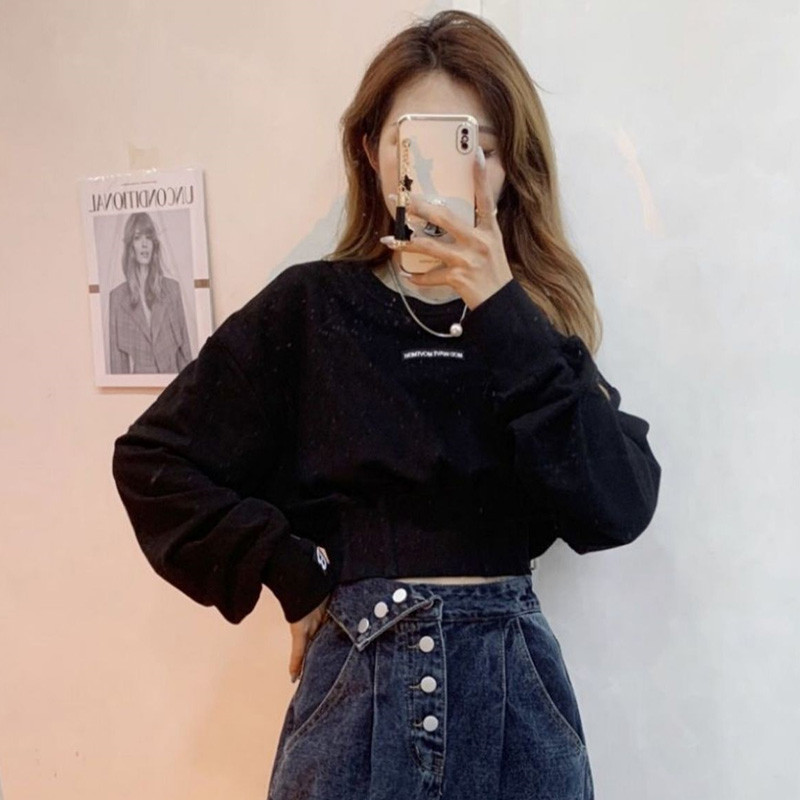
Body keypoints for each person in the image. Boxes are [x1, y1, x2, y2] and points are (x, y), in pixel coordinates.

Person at [112, 10, 661, 800]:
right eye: (417, 144)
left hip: (515, 699)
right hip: (356, 689)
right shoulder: (310, 310)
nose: (450, 170)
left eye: (477, 146)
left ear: (511, 165)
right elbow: (154, 461)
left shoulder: (535, 329)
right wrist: (291, 569)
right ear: (372, 153)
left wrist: (501, 307)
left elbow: (620, 504)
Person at [108, 211, 192, 374]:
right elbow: (118, 367)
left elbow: (185, 353)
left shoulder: (172, 289)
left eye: (148, 237)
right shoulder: (117, 298)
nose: (144, 244)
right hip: (140, 384)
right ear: (130, 245)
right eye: (137, 238)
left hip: (173, 380)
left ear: (154, 244)